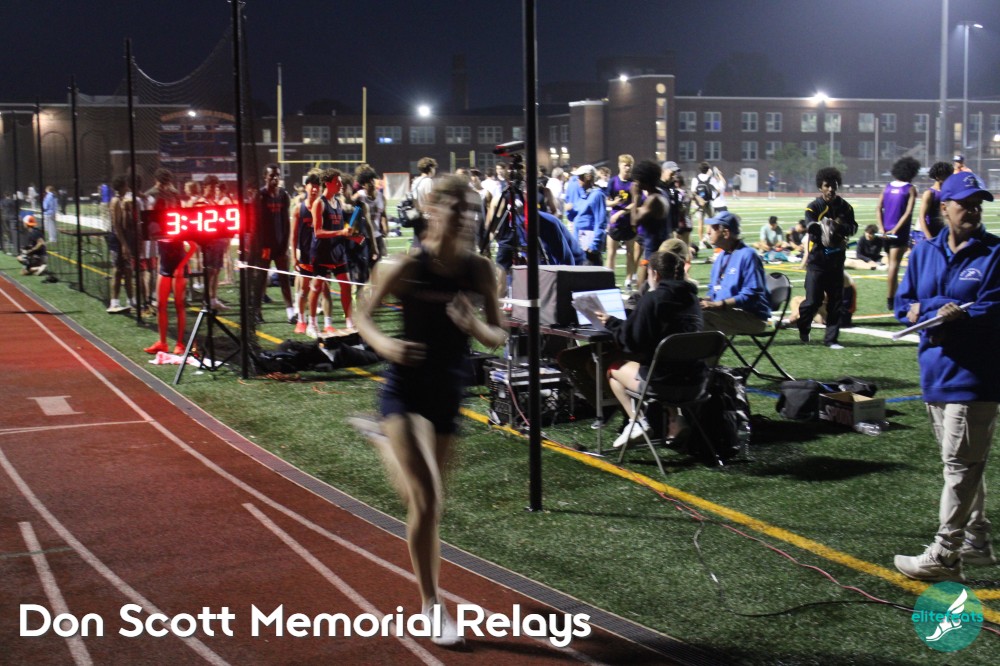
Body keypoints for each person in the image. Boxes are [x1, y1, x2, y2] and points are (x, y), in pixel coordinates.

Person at [353, 175, 505, 646]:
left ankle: (382, 441)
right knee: (428, 500)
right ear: (432, 209)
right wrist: (386, 346)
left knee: (424, 501)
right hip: (405, 388)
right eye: (457, 207)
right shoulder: (404, 266)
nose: (466, 217)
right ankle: (432, 604)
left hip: (448, 389)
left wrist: (473, 324)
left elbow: (498, 335)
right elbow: (361, 315)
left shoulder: (480, 270)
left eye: (473, 209)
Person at [893, 171, 999, 582]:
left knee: (960, 466)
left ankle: (945, 553)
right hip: (935, 372)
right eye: (964, 204)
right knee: (961, 464)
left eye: (977, 204)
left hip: (975, 376)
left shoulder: (995, 253)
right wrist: (939, 307)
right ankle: (977, 540)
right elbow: (904, 305)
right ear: (944, 208)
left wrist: (941, 311)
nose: (972, 210)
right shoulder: (924, 252)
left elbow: (992, 308)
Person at [596, 251, 704, 448]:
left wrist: (611, 323)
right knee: (669, 363)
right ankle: (676, 420)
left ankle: (637, 422)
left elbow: (631, 341)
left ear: (654, 274)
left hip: (664, 384)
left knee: (613, 369)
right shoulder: (693, 299)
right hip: (696, 383)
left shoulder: (653, 299)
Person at [797, 167, 857, 349]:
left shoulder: (845, 207)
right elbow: (810, 225)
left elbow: (853, 227)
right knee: (813, 301)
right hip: (817, 262)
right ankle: (803, 324)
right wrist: (823, 230)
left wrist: (839, 228)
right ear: (820, 187)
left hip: (836, 262)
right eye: (827, 186)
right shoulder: (813, 207)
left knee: (835, 302)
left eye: (834, 185)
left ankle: (831, 339)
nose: (830, 189)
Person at [143, 169, 194, 355]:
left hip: (177, 263)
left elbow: (193, 245)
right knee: (161, 304)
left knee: (179, 305)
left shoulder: (176, 224)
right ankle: (163, 342)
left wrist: (181, 267)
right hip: (164, 264)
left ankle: (180, 343)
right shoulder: (159, 226)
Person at [699, 211, 770, 336]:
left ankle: (708, 349)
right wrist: (705, 301)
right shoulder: (721, 256)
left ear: (726, 233)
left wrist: (718, 305)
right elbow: (713, 289)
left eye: (713, 228)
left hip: (751, 316)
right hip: (726, 311)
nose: (708, 232)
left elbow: (751, 295)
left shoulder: (748, 255)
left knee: (701, 318)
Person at [251, 164, 295, 325]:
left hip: (280, 245)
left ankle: (291, 313)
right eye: (271, 175)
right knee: (261, 279)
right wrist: (260, 246)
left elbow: (286, 222)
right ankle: (256, 312)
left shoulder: (283, 195)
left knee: (284, 278)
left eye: (277, 175)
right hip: (265, 246)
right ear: (265, 177)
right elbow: (255, 225)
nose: (275, 178)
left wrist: (286, 245)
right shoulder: (260, 196)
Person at [876, 156, 920, 311]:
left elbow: (878, 207)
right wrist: (896, 229)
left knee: (891, 265)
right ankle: (890, 299)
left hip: (885, 233)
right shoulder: (910, 189)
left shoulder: (887, 187)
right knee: (894, 266)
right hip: (898, 233)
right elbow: (908, 213)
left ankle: (895, 296)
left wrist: (881, 227)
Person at [291, 172, 321, 334]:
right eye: (312, 186)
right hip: (304, 255)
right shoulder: (299, 209)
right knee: (304, 290)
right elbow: (293, 235)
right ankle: (301, 320)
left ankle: (313, 322)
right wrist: (293, 256)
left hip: (320, 255)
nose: (315, 189)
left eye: (317, 186)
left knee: (316, 289)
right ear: (306, 187)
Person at [605, 154, 638, 289]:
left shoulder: (633, 183)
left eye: (630, 165)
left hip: (629, 222)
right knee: (611, 253)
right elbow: (606, 201)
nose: (628, 168)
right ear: (619, 165)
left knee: (630, 252)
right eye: (625, 165)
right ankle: (608, 280)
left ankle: (628, 280)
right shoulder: (613, 182)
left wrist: (621, 212)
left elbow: (635, 203)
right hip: (615, 223)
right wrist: (614, 203)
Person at [566, 164, 607, 266]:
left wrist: (595, 244)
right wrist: (570, 210)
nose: (578, 180)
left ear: (588, 177)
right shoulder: (584, 195)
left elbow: (600, 221)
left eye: (580, 177)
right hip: (580, 246)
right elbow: (574, 217)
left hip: (589, 247)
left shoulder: (597, 195)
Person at [106, 175, 135, 313]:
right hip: (117, 239)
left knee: (128, 270)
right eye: (126, 185)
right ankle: (114, 302)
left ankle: (131, 301)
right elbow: (116, 226)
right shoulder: (116, 201)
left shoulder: (123, 200)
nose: (128, 187)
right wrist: (123, 244)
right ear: (122, 186)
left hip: (124, 238)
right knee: (118, 270)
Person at [914, 161, 952, 247]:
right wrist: (929, 238)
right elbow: (922, 217)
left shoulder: (949, 193)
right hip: (929, 234)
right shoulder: (929, 193)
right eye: (946, 175)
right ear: (937, 176)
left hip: (942, 234)